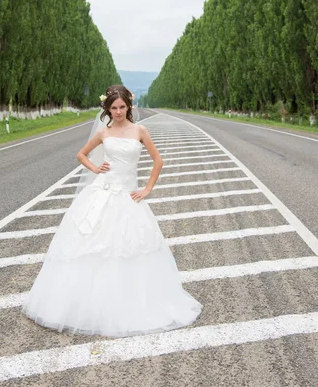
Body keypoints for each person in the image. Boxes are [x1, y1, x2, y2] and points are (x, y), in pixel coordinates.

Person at [22, 85, 202, 337]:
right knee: (92, 247)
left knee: (130, 248)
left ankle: (130, 305)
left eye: (121, 107)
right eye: (113, 107)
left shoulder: (140, 130)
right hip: (101, 194)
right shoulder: (103, 132)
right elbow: (81, 154)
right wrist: (96, 169)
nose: (118, 111)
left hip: (129, 197)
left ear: (129, 106)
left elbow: (158, 161)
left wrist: (147, 189)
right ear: (107, 109)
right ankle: (86, 306)